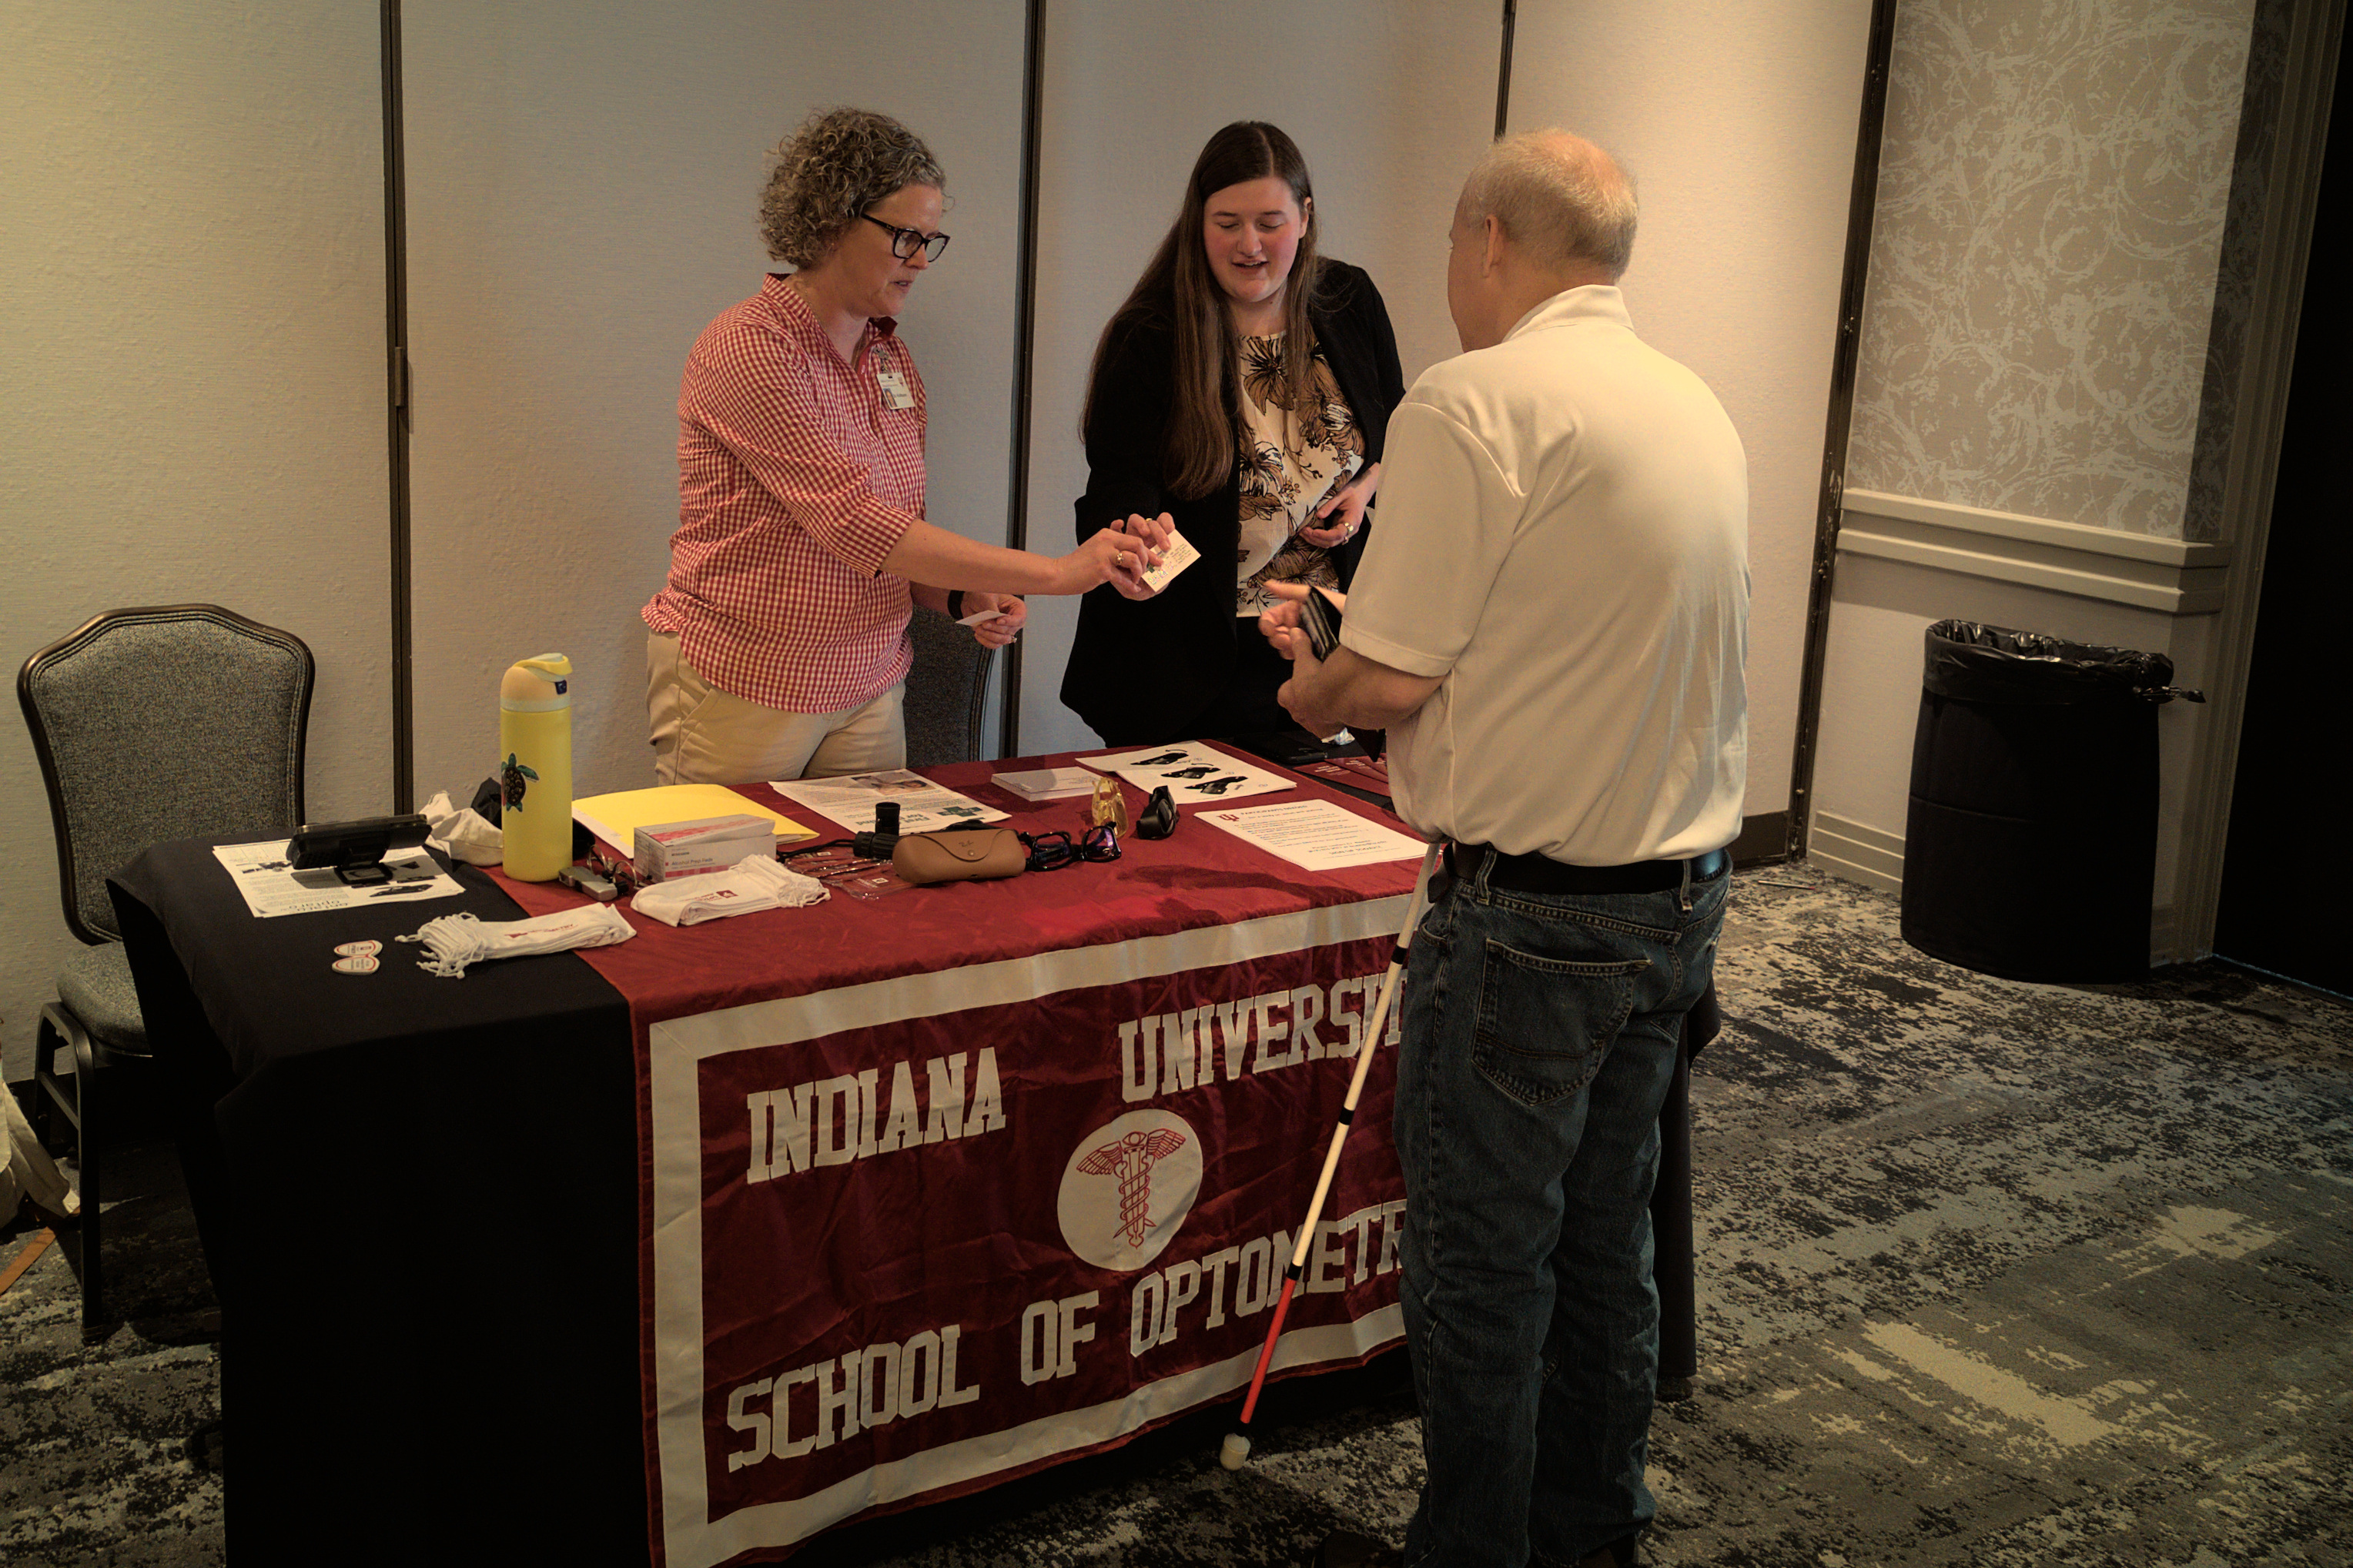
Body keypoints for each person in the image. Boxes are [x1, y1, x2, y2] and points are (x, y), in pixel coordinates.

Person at [1265, 132, 1749, 1568]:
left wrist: (1312, 682)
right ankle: (1594, 1522)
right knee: (1608, 1244)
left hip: (1530, 919)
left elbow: (1388, 681)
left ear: (1486, 240)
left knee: (1482, 1258)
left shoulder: (1477, 402)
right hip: (1680, 904)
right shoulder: (1693, 401)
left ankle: (1471, 1546)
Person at [643, 108, 1166, 786]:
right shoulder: (750, 346)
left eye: (930, 239)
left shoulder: (890, 359)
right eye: (903, 237)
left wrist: (960, 598)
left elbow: (892, 541)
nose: (920, 260)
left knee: (870, 886)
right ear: (831, 219)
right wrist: (1057, 574)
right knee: (723, 888)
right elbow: (856, 523)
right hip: (748, 679)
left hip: (868, 682)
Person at [1059, 121, 1405, 746]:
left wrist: (1369, 484)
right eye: (1227, 223)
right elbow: (1117, 486)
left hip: (1323, 633)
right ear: (1199, 223)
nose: (1250, 244)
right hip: (1192, 655)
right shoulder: (1151, 337)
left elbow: (1399, 433)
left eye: (1270, 222)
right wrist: (1135, 537)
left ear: (1304, 217)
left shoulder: (1349, 300)